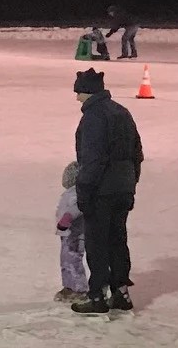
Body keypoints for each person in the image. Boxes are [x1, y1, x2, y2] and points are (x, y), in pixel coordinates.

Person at [70, 68, 144, 314]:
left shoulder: (94, 117)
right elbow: (137, 153)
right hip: (123, 187)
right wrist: (130, 183)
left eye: (78, 91)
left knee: (97, 243)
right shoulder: (122, 112)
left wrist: (83, 191)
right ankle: (121, 292)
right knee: (117, 240)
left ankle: (97, 296)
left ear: (85, 91)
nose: (76, 97)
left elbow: (93, 160)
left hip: (101, 190)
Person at [55, 162, 89, 304]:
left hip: (75, 234)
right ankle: (69, 286)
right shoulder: (69, 193)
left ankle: (79, 288)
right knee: (65, 260)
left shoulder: (76, 193)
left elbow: (77, 208)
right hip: (67, 234)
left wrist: (68, 217)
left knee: (73, 260)